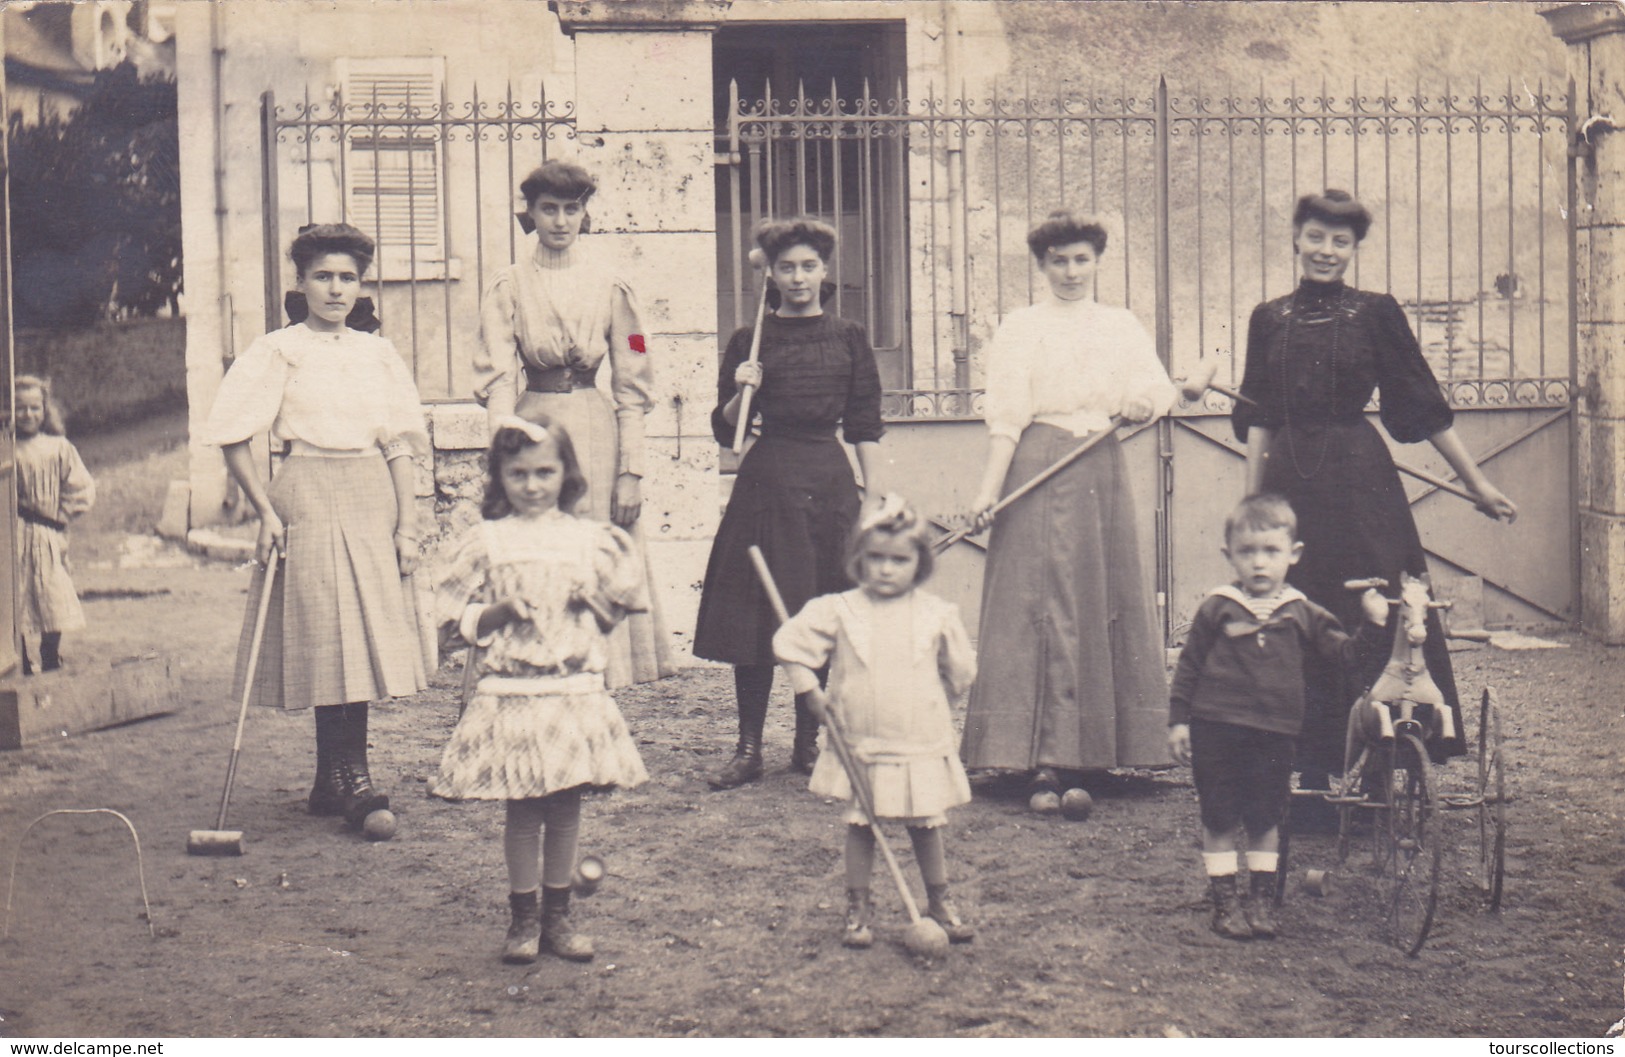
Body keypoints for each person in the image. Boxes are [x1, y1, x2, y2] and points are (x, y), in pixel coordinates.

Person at [1234, 189, 1518, 807]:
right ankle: (1309, 769)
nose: (1326, 251)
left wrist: (1477, 483)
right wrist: (1251, 507)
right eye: (1316, 237)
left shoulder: (1376, 313)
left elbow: (1422, 406)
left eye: (1340, 241)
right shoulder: (1267, 318)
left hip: (1361, 485)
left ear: (1354, 249)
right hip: (1289, 485)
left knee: (1383, 612)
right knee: (1298, 611)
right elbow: (1257, 415)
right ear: (1295, 238)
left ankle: (1386, 759)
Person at [204, 222, 430, 833]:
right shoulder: (279, 349)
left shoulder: (377, 354)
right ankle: (348, 776)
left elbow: (402, 444)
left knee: (359, 634)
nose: (336, 289)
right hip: (306, 491)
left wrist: (408, 523)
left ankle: (333, 779)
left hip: (369, 495)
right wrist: (266, 510)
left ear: (362, 285)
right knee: (329, 633)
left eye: (348, 278)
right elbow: (231, 433)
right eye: (323, 277)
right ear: (301, 283)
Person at [960, 209, 1175, 806]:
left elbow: (1158, 389)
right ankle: (1036, 756)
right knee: (1039, 603)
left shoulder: (1120, 324)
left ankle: (1096, 754)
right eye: (1059, 261)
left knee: (1096, 600)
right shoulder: (1021, 327)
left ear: (1097, 262)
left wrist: (1141, 403)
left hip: (1099, 467)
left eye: (1082, 259)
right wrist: (988, 490)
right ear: (1042, 265)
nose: (1072, 271)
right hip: (1036, 462)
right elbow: (1006, 420)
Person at [431, 414, 649, 965]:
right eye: (519, 473)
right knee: (524, 807)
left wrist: (588, 601)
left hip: (571, 690)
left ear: (566, 474)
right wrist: (497, 613)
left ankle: (559, 915)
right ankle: (523, 918)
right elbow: (445, 612)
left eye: (545, 472)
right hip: (514, 690)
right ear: (499, 476)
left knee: (566, 803)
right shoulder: (489, 541)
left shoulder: (588, 539)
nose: (532, 485)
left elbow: (612, 614)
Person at [693, 217, 886, 790]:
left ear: (825, 271)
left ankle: (809, 743)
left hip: (828, 483)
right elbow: (725, 431)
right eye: (786, 268)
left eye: (808, 267)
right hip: (768, 481)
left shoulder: (850, 337)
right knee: (756, 612)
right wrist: (740, 391)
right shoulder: (747, 341)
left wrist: (871, 496)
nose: (797, 278)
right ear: (770, 275)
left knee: (821, 610)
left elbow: (865, 422)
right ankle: (749, 747)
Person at [472, 159, 673, 690]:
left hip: (594, 430)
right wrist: (501, 450)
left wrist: (632, 470)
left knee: (592, 549)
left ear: (585, 214)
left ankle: (595, 683)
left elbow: (633, 377)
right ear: (530, 213)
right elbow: (496, 378)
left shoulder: (613, 287)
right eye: (548, 209)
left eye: (571, 209)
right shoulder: (507, 286)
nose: (560, 221)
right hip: (532, 422)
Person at [1167, 494, 1388, 940]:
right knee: (1220, 817)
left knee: (1267, 817)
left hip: (1275, 733)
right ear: (1230, 555)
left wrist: (1374, 624)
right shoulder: (1218, 606)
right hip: (1216, 729)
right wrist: (1178, 722)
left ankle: (1262, 902)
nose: (1259, 564)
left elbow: (1346, 657)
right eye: (1247, 552)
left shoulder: (1303, 612)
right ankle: (1224, 903)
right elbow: (1188, 667)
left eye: (1271, 552)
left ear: (1294, 554)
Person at [774, 494, 977, 948]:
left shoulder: (935, 614)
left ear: (919, 563)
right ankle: (858, 906)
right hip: (860, 738)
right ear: (859, 560)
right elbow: (790, 645)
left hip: (916, 736)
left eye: (899, 560)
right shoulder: (841, 609)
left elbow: (961, 670)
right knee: (862, 823)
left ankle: (939, 900)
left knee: (926, 820)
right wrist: (809, 690)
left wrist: (937, 698)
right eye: (876, 559)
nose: (886, 569)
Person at [13, 375, 94, 675]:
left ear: (45, 409)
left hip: (47, 533)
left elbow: (81, 486)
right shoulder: (5, 448)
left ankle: (50, 654)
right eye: (20, 408)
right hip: (12, 535)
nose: (28, 415)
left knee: (52, 592)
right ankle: (19, 658)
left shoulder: (58, 446)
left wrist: (62, 514)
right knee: (14, 596)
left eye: (34, 408)